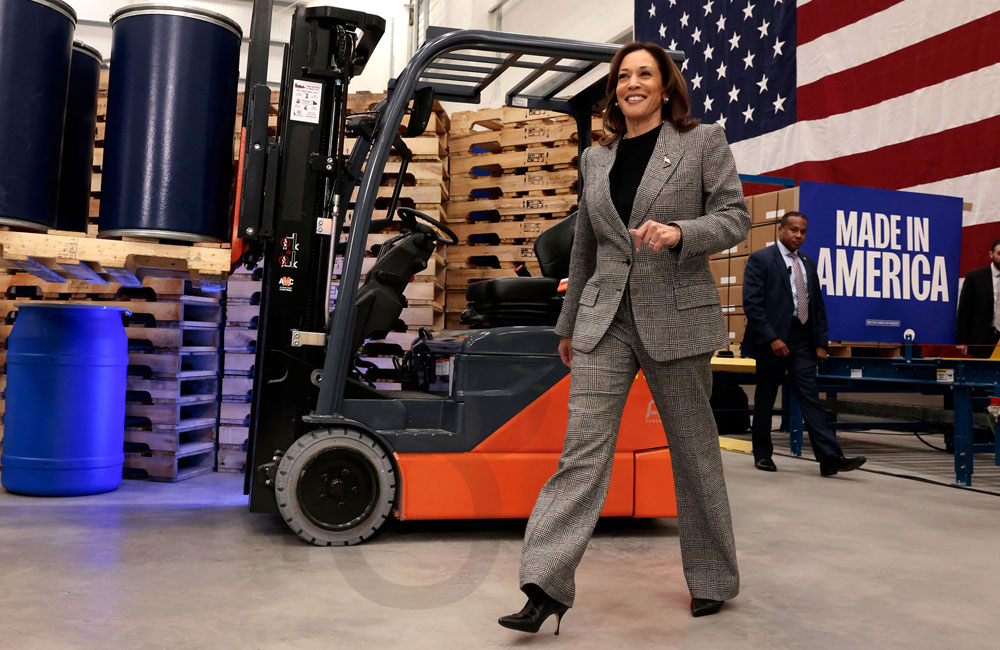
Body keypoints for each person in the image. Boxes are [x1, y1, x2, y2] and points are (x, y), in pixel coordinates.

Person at [498, 41, 750, 635]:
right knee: (582, 453)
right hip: (604, 319)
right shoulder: (597, 158)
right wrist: (568, 326)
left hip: (676, 319)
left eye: (645, 74)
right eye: (624, 76)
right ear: (614, 91)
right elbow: (585, 248)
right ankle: (545, 585)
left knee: (694, 454)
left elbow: (735, 217)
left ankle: (712, 578)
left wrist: (681, 232)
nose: (633, 83)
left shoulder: (702, 142)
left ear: (665, 86)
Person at [741, 211, 867, 476]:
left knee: (810, 397)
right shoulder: (761, 259)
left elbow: (817, 305)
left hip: (802, 340)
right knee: (765, 398)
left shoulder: (808, 263)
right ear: (781, 230)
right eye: (793, 230)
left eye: (803, 231)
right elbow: (752, 304)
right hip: (772, 341)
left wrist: (821, 343)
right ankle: (762, 454)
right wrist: (772, 338)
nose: (798, 235)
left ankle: (830, 458)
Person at [954, 239, 1000, 358]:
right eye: (999, 253)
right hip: (983, 338)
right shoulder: (975, 277)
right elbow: (964, 310)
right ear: (991, 254)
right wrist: (961, 340)